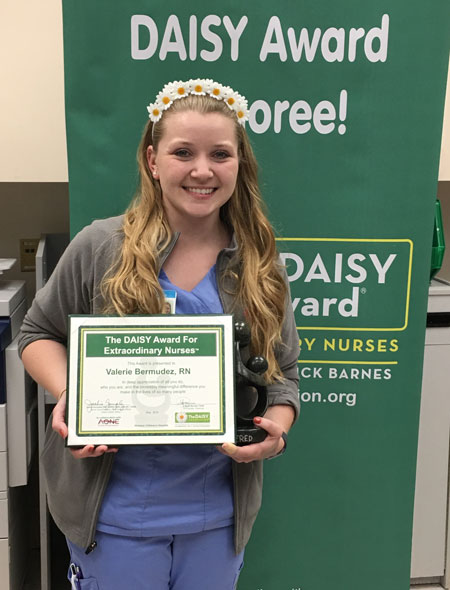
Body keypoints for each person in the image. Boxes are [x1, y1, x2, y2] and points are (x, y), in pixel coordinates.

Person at [19, 78, 300, 590]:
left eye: (220, 153)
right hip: (113, 516)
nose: (202, 169)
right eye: (182, 152)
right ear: (152, 160)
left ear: (240, 163)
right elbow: (37, 334)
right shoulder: (100, 246)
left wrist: (272, 435)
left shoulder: (261, 263)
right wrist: (73, 397)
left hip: (215, 518)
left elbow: (284, 376)